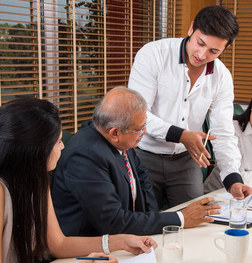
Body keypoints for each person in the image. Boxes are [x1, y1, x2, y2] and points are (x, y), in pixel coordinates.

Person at [0, 98, 158, 263]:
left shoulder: (36, 180)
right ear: (35, 150)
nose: (63, 147)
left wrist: (120, 242)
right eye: (58, 141)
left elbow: (58, 244)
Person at [51, 87, 220, 237]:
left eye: (144, 124)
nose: (145, 132)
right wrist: (181, 218)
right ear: (115, 133)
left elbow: (142, 179)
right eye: (140, 129)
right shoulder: (84, 156)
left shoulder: (118, 137)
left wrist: (152, 223)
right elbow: (113, 222)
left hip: (125, 237)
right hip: (88, 248)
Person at [128, 5, 252, 209]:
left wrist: (232, 178)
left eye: (214, 51)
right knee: (145, 221)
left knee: (196, 219)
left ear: (225, 48)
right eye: (200, 43)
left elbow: (223, 132)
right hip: (144, 153)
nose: (202, 55)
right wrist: (182, 135)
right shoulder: (154, 54)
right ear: (191, 28)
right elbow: (137, 114)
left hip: (187, 159)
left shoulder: (222, 77)